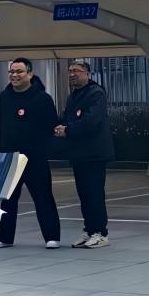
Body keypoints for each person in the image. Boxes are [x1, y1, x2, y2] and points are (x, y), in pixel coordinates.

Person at [0, 58, 61, 249]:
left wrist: (41, 148)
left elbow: (51, 126)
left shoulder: (42, 99)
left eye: (19, 72)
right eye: (11, 72)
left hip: (35, 157)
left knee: (43, 197)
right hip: (10, 158)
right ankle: (4, 238)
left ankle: (52, 236)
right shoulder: (3, 98)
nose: (14, 75)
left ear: (30, 74)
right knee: (8, 200)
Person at [56, 60, 113, 249]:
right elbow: (68, 118)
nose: (72, 74)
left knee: (94, 193)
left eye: (77, 71)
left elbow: (91, 121)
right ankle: (89, 230)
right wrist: (60, 127)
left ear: (87, 73)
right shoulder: (74, 95)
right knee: (84, 195)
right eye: (70, 71)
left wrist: (68, 130)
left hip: (94, 154)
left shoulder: (96, 93)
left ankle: (100, 233)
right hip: (79, 154)